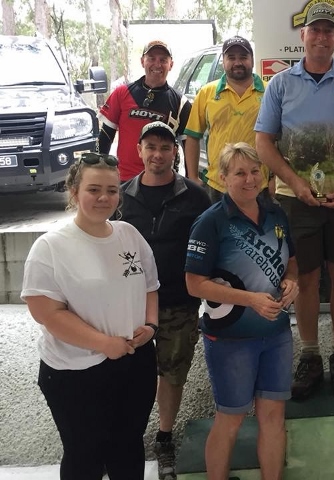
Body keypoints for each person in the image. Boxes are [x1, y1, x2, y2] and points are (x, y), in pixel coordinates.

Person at [255, 2, 334, 401]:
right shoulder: (280, 84)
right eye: (316, 30)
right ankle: (310, 355)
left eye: (329, 31)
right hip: (296, 201)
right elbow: (263, 142)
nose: (322, 36)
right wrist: (294, 182)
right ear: (303, 36)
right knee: (305, 279)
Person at [21, 153, 159, 480]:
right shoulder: (50, 247)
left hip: (134, 360)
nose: (103, 198)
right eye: (93, 189)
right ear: (74, 192)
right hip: (75, 371)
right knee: (85, 453)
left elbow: (151, 286)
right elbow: (46, 313)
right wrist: (103, 343)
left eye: (111, 190)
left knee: (129, 446)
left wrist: (151, 325)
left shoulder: (129, 235)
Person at [185, 142, 298, 480]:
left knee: (274, 417)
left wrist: (292, 281)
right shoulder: (210, 223)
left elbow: (291, 261)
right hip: (230, 339)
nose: (249, 179)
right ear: (222, 178)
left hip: (276, 334)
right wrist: (250, 299)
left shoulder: (276, 214)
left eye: (254, 171)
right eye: (239, 173)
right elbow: (194, 284)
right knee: (231, 419)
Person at [119, 121, 211, 480]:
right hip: (130, 305)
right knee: (130, 371)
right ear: (139, 151)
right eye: (151, 147)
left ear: (175, 152)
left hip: (179, 301)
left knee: (173, 372)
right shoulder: (121, 197)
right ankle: (126, 434)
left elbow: (209, 244)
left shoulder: (195, 196)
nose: (157, 154)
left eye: (165, 147)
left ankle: (164, 436)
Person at [184, 36, 270, 203]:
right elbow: (193, 136)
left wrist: (275, 178)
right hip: (219, 185)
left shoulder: (269, 92)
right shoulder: (207, 93)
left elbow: (278, 139)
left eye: (243, 57)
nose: (237, 62)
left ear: (252, 60)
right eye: (231, 57)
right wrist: (193, 176)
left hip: (257, 184)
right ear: (223, 61)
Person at [98, 40, 192, 181]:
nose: (157, 64)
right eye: (151, 59)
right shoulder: (121, 93)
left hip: (162, 181)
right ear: (142, 61)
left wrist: (191, 178)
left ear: (171, 65)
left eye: (163, 60)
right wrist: (99, 171)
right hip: (125, 180)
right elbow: (105, 136)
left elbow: (189, 145)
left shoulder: (181, 102)